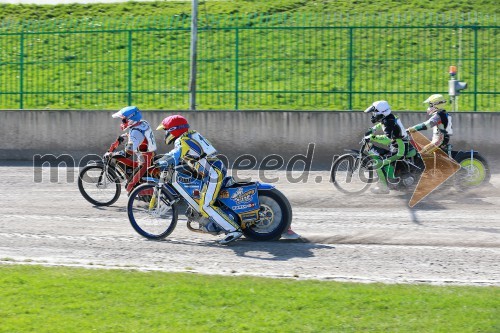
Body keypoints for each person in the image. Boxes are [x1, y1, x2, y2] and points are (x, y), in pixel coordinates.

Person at [364, 100, 409, 194]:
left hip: (399, 150)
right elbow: (381, 124)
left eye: (374, 113)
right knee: (381, 157)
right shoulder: (389, 118)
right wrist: (372, 129)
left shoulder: (389, 123)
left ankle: (384, 188)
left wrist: (373, 137)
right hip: (398, 146)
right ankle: (387, 181)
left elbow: (388, 139)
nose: (373, 115)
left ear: (381, 113)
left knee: (379, 163)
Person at [111, 106, 157, 192]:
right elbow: (140, 135)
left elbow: (128, 152)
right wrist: (125, 135)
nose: (122, 122)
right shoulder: (143, 123)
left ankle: (155, 195)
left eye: (124, 120)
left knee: (129, 187)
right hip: (150, 156)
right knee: (129, 165)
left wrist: (112, 154)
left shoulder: (135, 133)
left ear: (131, 119)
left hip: (144, 164)